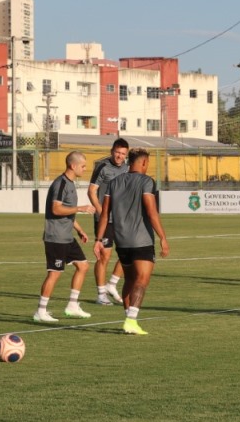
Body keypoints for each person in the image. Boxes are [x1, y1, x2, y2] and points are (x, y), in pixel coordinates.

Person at [93, 148, 169, 336]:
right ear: (143, 163)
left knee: (129, 279)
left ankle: (129, 319)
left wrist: (98, 239)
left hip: (121, 241)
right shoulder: (146, 181)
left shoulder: (114, 182)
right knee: (142, 280)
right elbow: (151, 212)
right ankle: (131, 320)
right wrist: (163, 238)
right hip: (141, 240)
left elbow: (104, 213)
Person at [34, 151, 97, 323]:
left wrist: (79, 229)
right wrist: (80, 208)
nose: (85, 169)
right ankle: (40, 311)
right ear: (73, 165)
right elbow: (56, 209)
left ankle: (72, 305)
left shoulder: (70, 184)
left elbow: (66, 211)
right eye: (83, 166)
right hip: (56, 237)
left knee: (83, 266)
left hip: (67, 236)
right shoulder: (60, 184)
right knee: (54, 273)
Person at [88, 138, 129, 306]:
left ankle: (112, 284)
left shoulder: (127, 168)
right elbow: (91, 192)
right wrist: (101, 212)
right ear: (112, 151)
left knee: (129, 253)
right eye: (117, 153)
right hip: (105, 219)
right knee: (104, 256)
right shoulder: (102, 167)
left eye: (123, 154)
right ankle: (101, 294)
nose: (119, 156)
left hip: (122, 218)